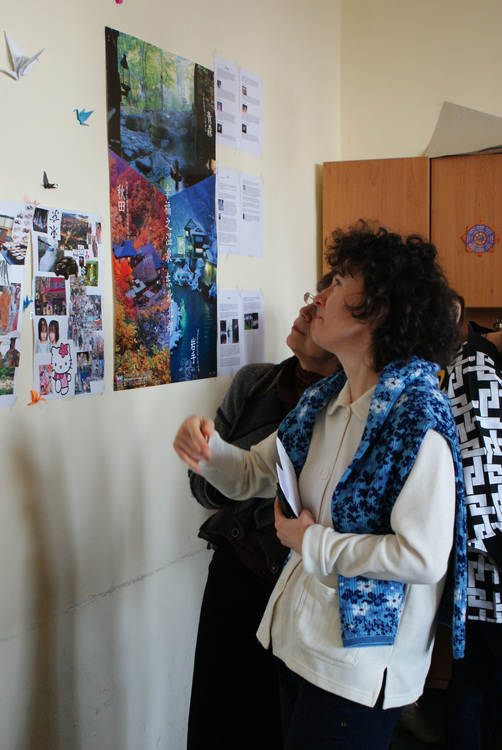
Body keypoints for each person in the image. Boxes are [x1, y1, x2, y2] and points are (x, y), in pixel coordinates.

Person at [174, 222, 467, 750]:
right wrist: (208, 450)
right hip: (298, 641)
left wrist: (313, 543)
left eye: (339, 281)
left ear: (378, 310)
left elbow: (423, 557)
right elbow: (252, 473)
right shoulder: (323, 402)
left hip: (358, 668)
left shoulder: (417, 420)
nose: (320, 297)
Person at [187, 273, 340, 750]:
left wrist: (236, 465)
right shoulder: (255, 383)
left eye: (323, 305)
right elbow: (206, 487)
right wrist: (212, 454)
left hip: (298, 587)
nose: (307, 310)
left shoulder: (344, 406)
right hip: (237, 571)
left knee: (274, 723)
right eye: (311, 298)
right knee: (215, 717)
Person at [445, 320, 502, 750]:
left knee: (479, 687)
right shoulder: (475, 369)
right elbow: (484, 491)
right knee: (479, 695)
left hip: (489, 563)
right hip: (488, 569)